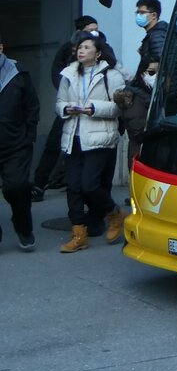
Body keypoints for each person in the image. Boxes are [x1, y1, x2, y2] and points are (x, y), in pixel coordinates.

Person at [56, 33, 125, 253]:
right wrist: (66, 109)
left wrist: (93, 109)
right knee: (73, 187)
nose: (81, 50)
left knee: (90, 185)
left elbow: (118, 107)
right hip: (73, 135)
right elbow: (59, 102)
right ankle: (79, 234)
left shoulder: (111, 75)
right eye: (79, 47)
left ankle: (113, 214)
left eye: (86, 47)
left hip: (98, 136)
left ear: (98, 52)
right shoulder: (68, 73)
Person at [32, 15, 100, 202]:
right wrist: (66, 94)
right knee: (54, 144)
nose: (95, 33)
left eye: (96, 29)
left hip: (91, 110)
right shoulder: (67, 49)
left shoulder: (100, 48)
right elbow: (57, 73)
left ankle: (84, 187)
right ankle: (39, 183)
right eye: (91, 29)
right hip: (69, 107)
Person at [0, 32, 39, 252]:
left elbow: (32, 107)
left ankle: (23, 227)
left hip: (16, 144)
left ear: (1, 48)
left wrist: (28, 136)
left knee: (16, 187)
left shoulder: (18, 74)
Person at [112, 54, 158, 172]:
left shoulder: (158, 93)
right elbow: (137, 130)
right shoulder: (134, 96)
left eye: (159, 72)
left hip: (150, 151)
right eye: (151, 72)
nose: (156, 76)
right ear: (142, 73)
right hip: (140, 152)